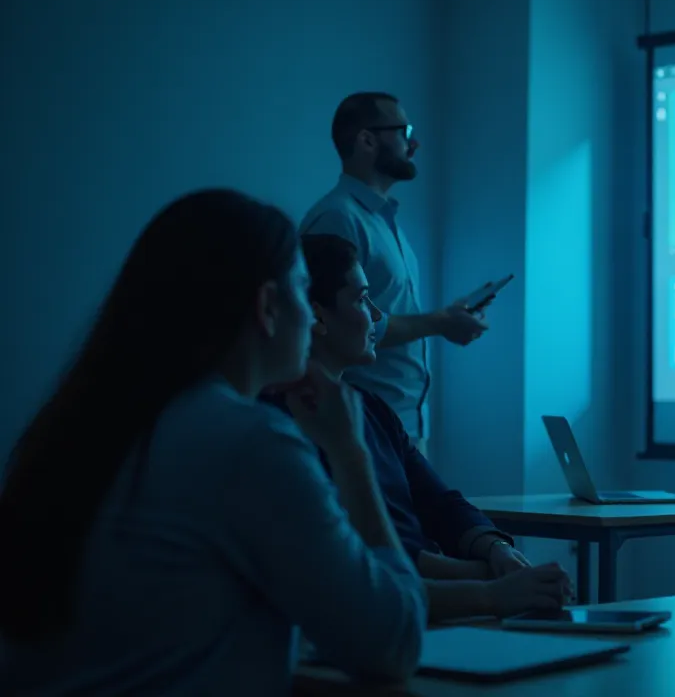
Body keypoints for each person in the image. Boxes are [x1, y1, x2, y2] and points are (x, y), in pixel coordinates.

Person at [0, 190, 426, 694]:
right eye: (301, 290)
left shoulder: (77, 429)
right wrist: (349, 453)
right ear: (268, 306)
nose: (312, 319)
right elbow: (393, 642)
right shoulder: (249, 442)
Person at [267, 234, 570, 619]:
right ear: (318, 317)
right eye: (362, 299)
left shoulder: (371, 408)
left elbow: (440, 502)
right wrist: (488, 583)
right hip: (393, 610)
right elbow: (359, 555)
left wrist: (497, 550)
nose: (377, 315)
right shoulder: (281, 423)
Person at [301, 91, 489, 453]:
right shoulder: (337, 218)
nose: (413, 142)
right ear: (367, 139)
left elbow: (373, 314)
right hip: (363, 424)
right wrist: (440, 322)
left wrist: (444, 320)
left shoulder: (382, 221)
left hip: (398, 424)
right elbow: (333, 323)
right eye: (404, 131)